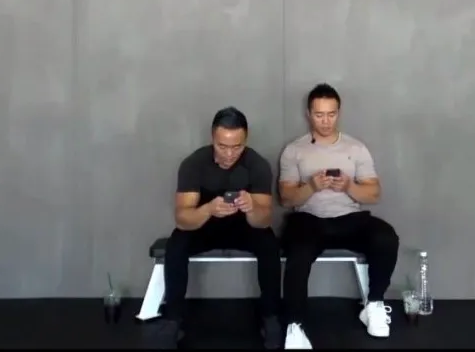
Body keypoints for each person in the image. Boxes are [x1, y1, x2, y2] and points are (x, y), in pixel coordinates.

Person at [278, 83, 400, 349]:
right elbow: (286, 199)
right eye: (319, 114)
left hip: (349, 219)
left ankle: (374, 304)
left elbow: (374, 194)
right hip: (309, 219)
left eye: (331, 114)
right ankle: (295, 326)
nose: (325, 121)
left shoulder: (356, 148)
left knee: (386, 237)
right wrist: (312, 186)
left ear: (339, 113)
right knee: (298, 252)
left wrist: (348, 186)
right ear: (309, 114)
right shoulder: (295, 150)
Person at [151, 106, 283, 349]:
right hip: (206, 226)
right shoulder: (194, 164)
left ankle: (271, 316)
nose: (230, 154)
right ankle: (173, 319)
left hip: (244, 227)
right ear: (213, 138)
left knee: (268, 243)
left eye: (237, 147)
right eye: (222, 146)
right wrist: (208, 210)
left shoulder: (257, 165)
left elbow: (264, 220)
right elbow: (182, 218)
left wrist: (252, 207)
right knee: (177, 244)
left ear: (246, 140)